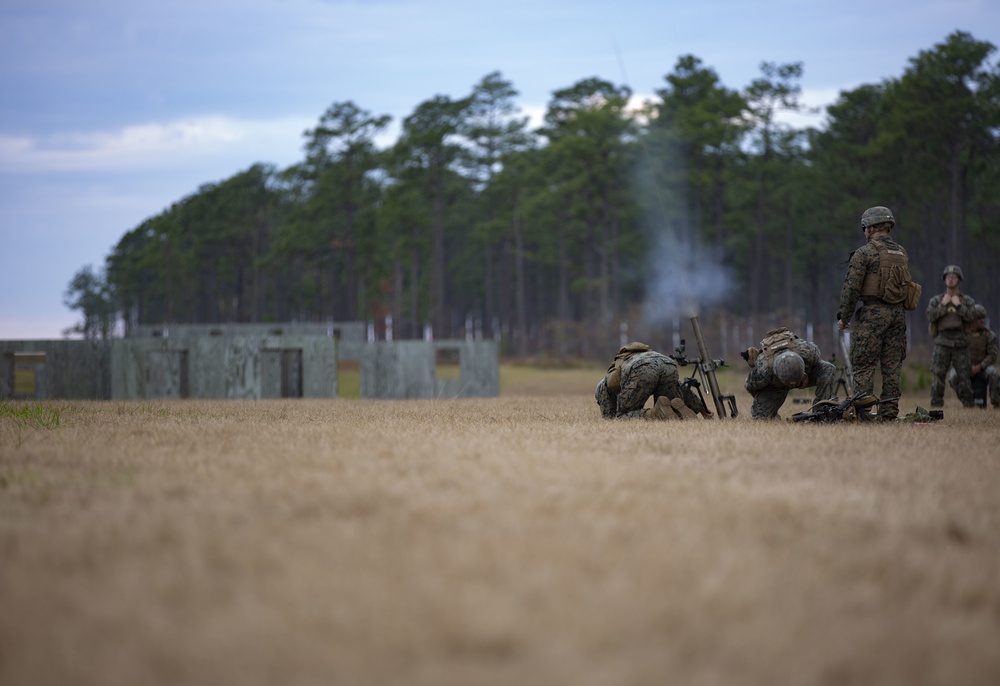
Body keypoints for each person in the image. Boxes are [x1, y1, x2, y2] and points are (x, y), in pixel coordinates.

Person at [836, 206, 916, 420]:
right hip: (898, 316)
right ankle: (889, 414)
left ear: (871, 228)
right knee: (892, 368)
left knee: (863, 365)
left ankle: (864, 414)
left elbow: (851, 288)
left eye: (865, 228)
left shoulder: (865, 253)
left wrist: (844, 317)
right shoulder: (901, 253)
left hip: (873, 315)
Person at [595, 342, 712, 420]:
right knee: (670, 404)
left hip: (642, 368)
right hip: (668, 363)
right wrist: (701, 408)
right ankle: (677, 411)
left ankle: (656, 413)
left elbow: (609, 418)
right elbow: (679, 386)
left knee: (621, 417)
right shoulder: (644, 354)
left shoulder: (603, 385)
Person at [743, 327, 835, 419]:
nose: (796, 385)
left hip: (804, 373)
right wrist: (763, 399)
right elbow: (749, 386)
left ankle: (821, 411)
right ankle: (772, 416)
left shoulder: (806, 351)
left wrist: (803, 376)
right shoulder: (763, 370)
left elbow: (819, 358)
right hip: (776, 386)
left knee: (828, 368)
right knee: (760, 418)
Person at [926, 265, 977, 408]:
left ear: (959, 280)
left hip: (961, 342)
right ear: (944, 280)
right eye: (948, 277)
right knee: (938, 375)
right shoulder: (937, 300)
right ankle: (936, 405)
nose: (950, 279)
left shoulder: (966, 301)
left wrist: (959, 306)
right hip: (942, 341)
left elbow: (972, 316)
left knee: (964, 376)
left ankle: (968, 405)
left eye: (953, 277)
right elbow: (930, 315)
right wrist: (943, 304)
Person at [948, 304, 999, 409]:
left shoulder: (989, 335)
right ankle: (967, 402)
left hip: (983, 368)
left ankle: (996, 402)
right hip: (965, 368)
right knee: (953, 377)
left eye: (983, 318)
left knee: (994, 374)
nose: (982, 321)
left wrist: (980, 367)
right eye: (979, 318)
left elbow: (993, 355)